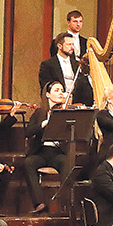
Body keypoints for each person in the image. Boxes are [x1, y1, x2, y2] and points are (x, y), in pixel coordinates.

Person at [20, 82, 74, 212]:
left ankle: (65, 204)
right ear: (48, 94)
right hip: (41, 151)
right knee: (28, 163)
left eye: (62, 90)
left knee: (66, 162)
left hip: (57, 152)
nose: (61, 93)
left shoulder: (65, 112)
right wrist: (44, 123)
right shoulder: (39, 113)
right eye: (57, 90)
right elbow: (28, 132)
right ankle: (39, 203)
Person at [37, 32, 94, 107]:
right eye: (69, 44)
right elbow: (46, 86)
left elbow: (81, 85)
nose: (72, 47)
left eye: (73, 44)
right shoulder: (47, 64)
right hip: (57, 103)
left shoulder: (77, 64)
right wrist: (63, 96)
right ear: (59, 46)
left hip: (75, 102)